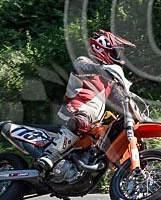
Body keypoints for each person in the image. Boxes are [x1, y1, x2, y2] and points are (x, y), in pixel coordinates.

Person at [34, 29, 136, 174]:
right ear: (102, 47)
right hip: (75, 110)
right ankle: (50, 155)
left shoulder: (109, 80)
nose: (119, 57)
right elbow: (79, 67)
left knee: (108, 134)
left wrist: (139, 114)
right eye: (116, 52)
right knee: (82, 120)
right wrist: (101, 69)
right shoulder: (85, 61)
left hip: (94, 123)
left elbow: (121, 100)